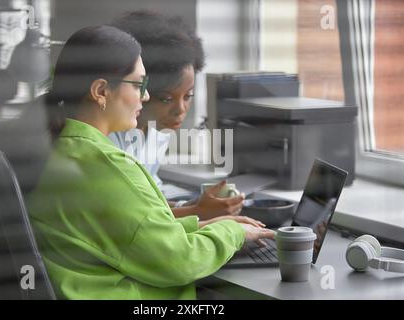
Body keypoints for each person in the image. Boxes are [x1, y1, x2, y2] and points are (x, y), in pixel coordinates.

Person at [27, 25, 275, 299]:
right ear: (100, 91)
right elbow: (181, 261)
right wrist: (232, 232)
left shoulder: (68, 149)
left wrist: (206, 225)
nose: (145, 96)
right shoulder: (105, 166)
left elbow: (132, 233)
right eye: (140, 85)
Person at [109, 11, 245, 220]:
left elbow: (152, 203)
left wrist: (196, 205)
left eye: (188, 96)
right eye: (166, 98)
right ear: (140, 89)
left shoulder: (155, 132)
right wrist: (198, 212)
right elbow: (129, 218)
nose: (180, 109)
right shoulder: (109, 139)